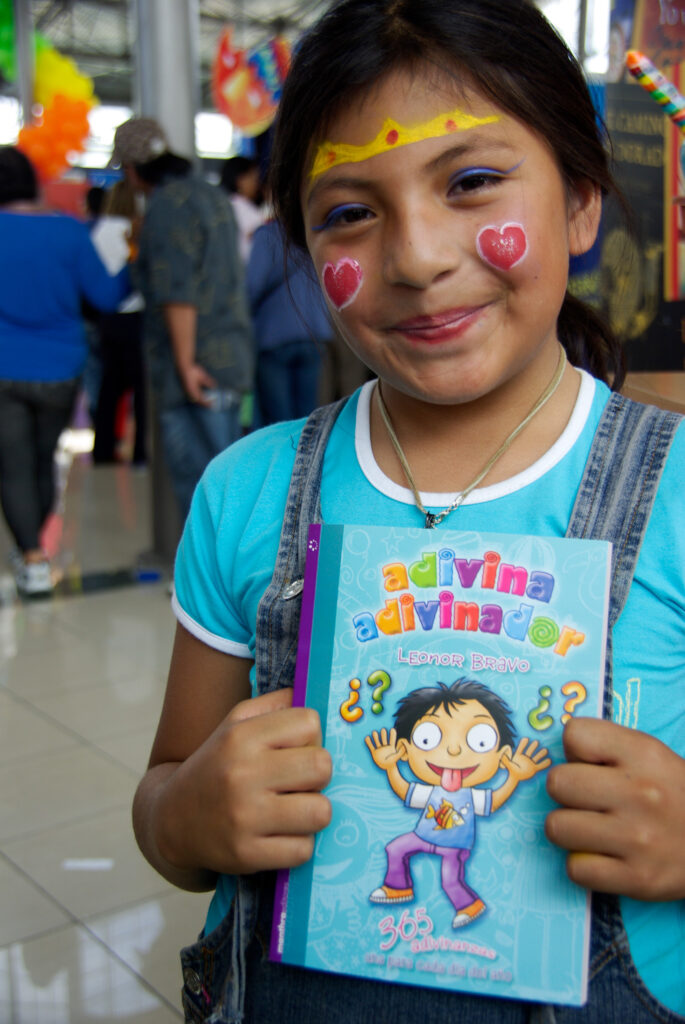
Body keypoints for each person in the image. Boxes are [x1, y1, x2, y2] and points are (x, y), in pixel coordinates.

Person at [132, 2, 685, 1022]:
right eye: (350, 211)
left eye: (470, 183)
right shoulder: (247, 492)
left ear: (580, 204)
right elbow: (165, 790)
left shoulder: (678, 492)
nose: (418, 257)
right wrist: (185, 818)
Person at [0, 146, 130, 596]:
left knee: (12, 464)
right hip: (60, 367)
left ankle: (32, 556)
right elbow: (107, 296)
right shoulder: (69, 232)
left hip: (3, 367)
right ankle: (33, 547)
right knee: (43, 459)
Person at [111, 118, 254, 522]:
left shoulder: (166, 207)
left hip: (195, 370)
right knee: (227, 485)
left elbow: (178, 292)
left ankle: (209, 570)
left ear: (133, 170)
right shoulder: (212, 196)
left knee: (201, 497)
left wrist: (186, 363)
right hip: (231, 356)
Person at [366, 678, 550, 923]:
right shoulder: (431, 791)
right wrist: (391, 768)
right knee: (395, 849)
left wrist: (514, 778)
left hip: (454, 844)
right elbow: (406, 792)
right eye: (427, 738)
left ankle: (469, 906)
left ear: (502, 755)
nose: (454, 750)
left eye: (480, 741)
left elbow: (493, 802)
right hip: (423, 836)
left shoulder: (470, 795)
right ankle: (397, 887)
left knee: (450, 880)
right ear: (405, 749)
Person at [247, 216, 334, 425]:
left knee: (280, 421)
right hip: (313, 332)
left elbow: (252, 286)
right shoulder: (315, 230)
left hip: (274, 335)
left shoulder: (267, 235)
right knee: (308, 417)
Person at [90, 180, 147, 465]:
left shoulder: (97, 231)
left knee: (109, 388)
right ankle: (140, 453)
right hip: (135, 314)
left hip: (107, 317)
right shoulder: (134, 232)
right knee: (141, 388)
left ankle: (102, 450)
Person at [220, 155, 265, 264]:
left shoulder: (221, 205)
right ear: (240, 179)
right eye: (253, 177)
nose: (256, 183)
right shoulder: (242, 208)